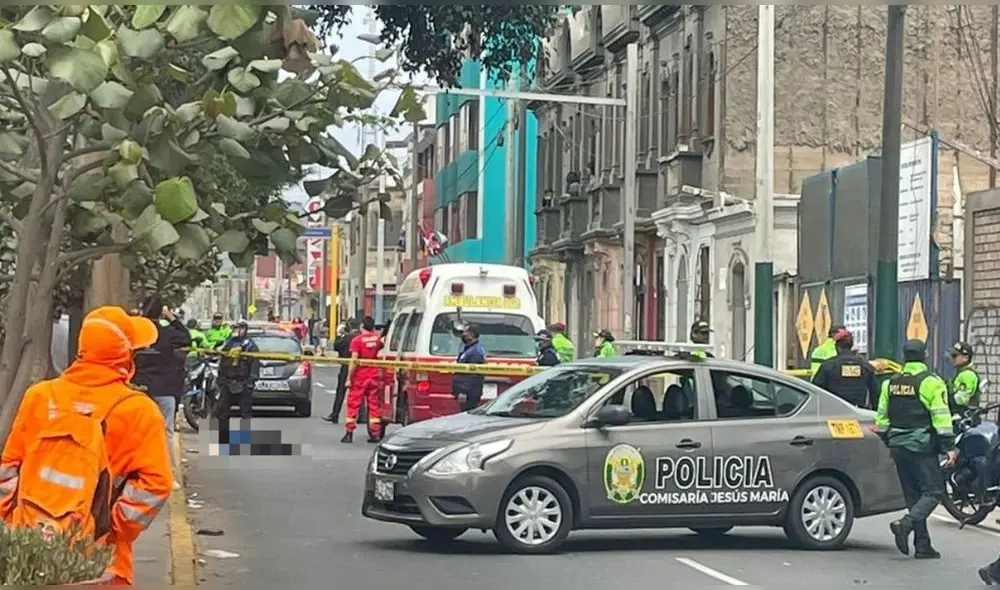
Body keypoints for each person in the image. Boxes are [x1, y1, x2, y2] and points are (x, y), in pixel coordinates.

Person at [0, 306, 172, 585]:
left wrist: (18, 528)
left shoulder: (40, 397)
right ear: (126, 356)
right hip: (103, 565)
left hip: (31, 557)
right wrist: (110, 530)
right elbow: (155, 486)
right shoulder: (139, 411)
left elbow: (7, 471)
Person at [874, 339, 955, 559]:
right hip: (921, 445)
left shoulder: (890, 383)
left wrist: (887, 437)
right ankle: (905, 524)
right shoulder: (931, 382)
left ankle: (922, 545)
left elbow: (881, 417)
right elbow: (941, 416)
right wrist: (949, 446)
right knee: (934, 492)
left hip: (898, 446)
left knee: (913, 496)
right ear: (925, 356)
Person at [131, 296, 190, 491]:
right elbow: (186, 337)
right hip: (165, 389)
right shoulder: (168, 333)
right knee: (167, 433)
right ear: (160, 312)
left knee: (138, 432)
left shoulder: (135, 332)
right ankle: (168, 476)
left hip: (139, 390)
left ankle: (136, 473)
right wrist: (171, 317)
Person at [215, 320, 260, 454]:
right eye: (236, 328)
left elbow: (255, 363)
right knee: (223, 413)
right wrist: (221, 378)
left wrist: (251, 380)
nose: (238, 331)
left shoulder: (251, 345)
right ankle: (223, 440)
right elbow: (223, 361)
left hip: (243, 381)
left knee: (245, 413)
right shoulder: (229, 343)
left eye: (240, 328)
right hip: (228, 381)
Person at [812, 327, 878, 409]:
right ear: (851, 345)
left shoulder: (828, 365)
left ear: (837, 347)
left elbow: (816, 389)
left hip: (833, 411)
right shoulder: (865, 366)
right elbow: (874, 391)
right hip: (858, 411)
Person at [341, 316, 383, 444]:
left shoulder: (357, 341)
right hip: (374, 375)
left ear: (362, 326)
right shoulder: (378, 340)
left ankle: (349, 433)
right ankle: (375, 433)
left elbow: (354, 361)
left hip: (360, 377)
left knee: (353, 405)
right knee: (374, 406)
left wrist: (349, 378)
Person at [323, 319, 358, 424]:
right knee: (360, 393)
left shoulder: (347, 338)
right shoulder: (360, 337)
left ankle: (335, 414)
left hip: (346, 367)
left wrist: (339, 335)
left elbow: (336, 346)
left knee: (340, 393)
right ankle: (362, 416)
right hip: (361, 368)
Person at [453, 324, 487, 412]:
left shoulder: (475, 352)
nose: (463, 335)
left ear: (471, 335)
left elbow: (473, 375)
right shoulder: (468, 349)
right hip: (467, 391)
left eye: (465, 332)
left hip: (470, 393)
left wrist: (464, 391)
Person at [949, 341, 981, 414]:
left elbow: (961, 400)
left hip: (964, 417)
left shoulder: (967, 375)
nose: (952, 358)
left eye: (954, 356)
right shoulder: (961, 373)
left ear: (966, 357)